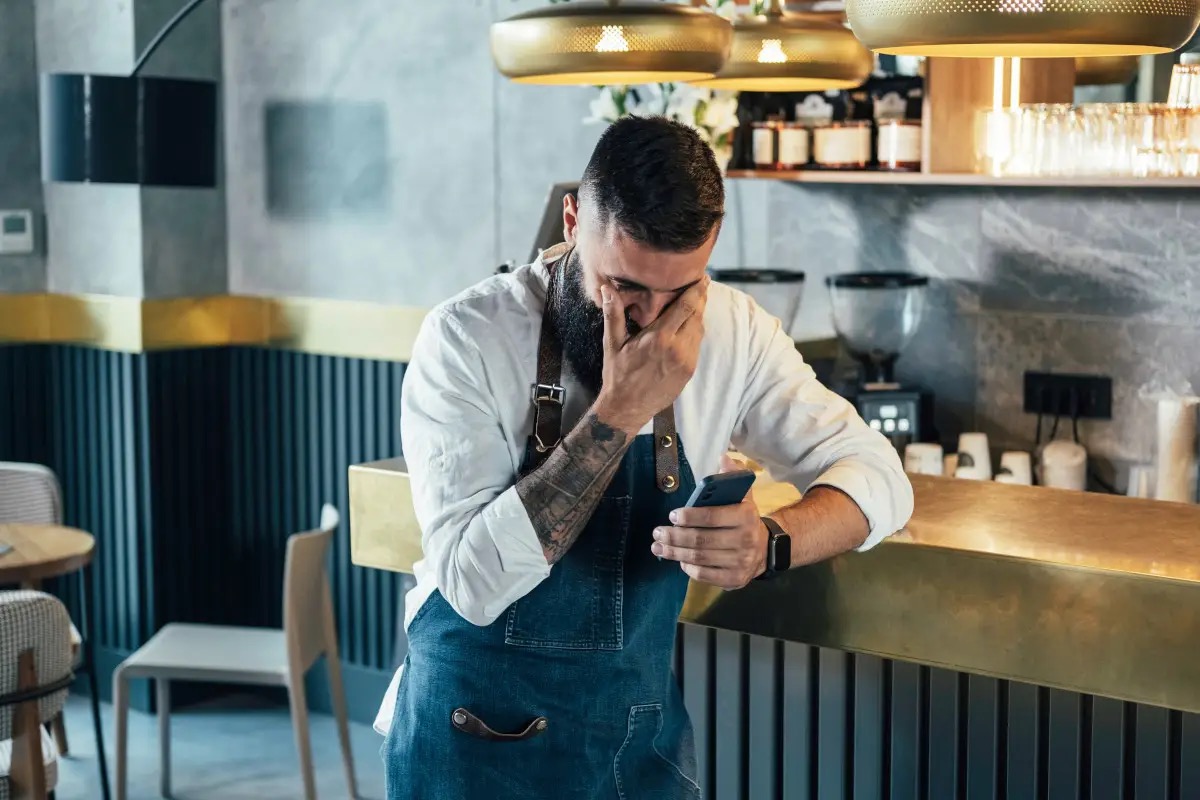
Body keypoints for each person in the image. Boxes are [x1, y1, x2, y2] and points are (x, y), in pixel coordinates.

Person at [377, 116, 913, 799]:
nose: (650, 321)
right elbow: (472, 585)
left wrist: (771, 545)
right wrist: (620, 412)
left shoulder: (733, 331)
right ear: (573, 220)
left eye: (679, 293)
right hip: (472, 746)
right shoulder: (467, 338)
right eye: (624, 287)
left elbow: (880, 478)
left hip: (634, 746)